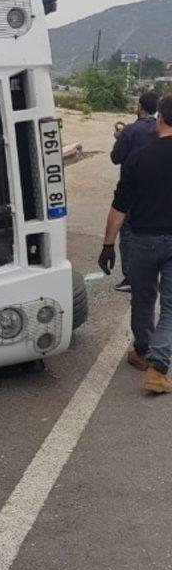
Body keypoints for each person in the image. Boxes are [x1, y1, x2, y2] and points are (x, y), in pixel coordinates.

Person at [98, 93, 172, 394]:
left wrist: (107, 245)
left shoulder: (138, 156)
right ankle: (158, 367)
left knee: (142, 298)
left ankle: (142, 350)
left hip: (141, 239)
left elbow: (120, 206)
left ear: (160, 118)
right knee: (170, 307)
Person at [110, 90, 158, 292]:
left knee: (128, 233)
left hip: (131, 192)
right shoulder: (162, 129)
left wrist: (119, 138)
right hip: (158, 193)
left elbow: (116, 157)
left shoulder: (130, 131)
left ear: (140, 107)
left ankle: (131, 277)